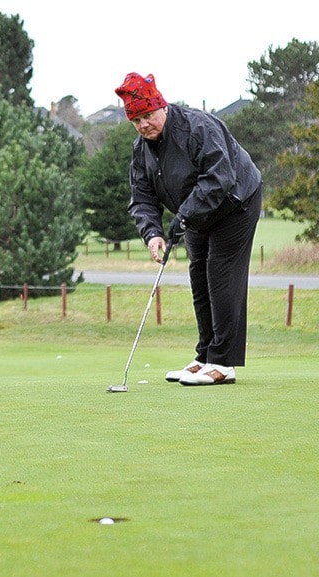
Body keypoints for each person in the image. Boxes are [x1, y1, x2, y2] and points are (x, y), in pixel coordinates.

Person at [115, 72, 263, 386]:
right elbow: (141, 195)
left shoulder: (197, 128)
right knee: (198, 276)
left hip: (236, 202)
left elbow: (218, 179)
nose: (144, 125)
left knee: (221, 274)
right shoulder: (141, 148)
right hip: (195, 211)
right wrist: (152, 232)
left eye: (148, 116)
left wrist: (183, 216)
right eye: (136, 120)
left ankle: (223, 364)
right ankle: (205, 355)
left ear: (161, 107)